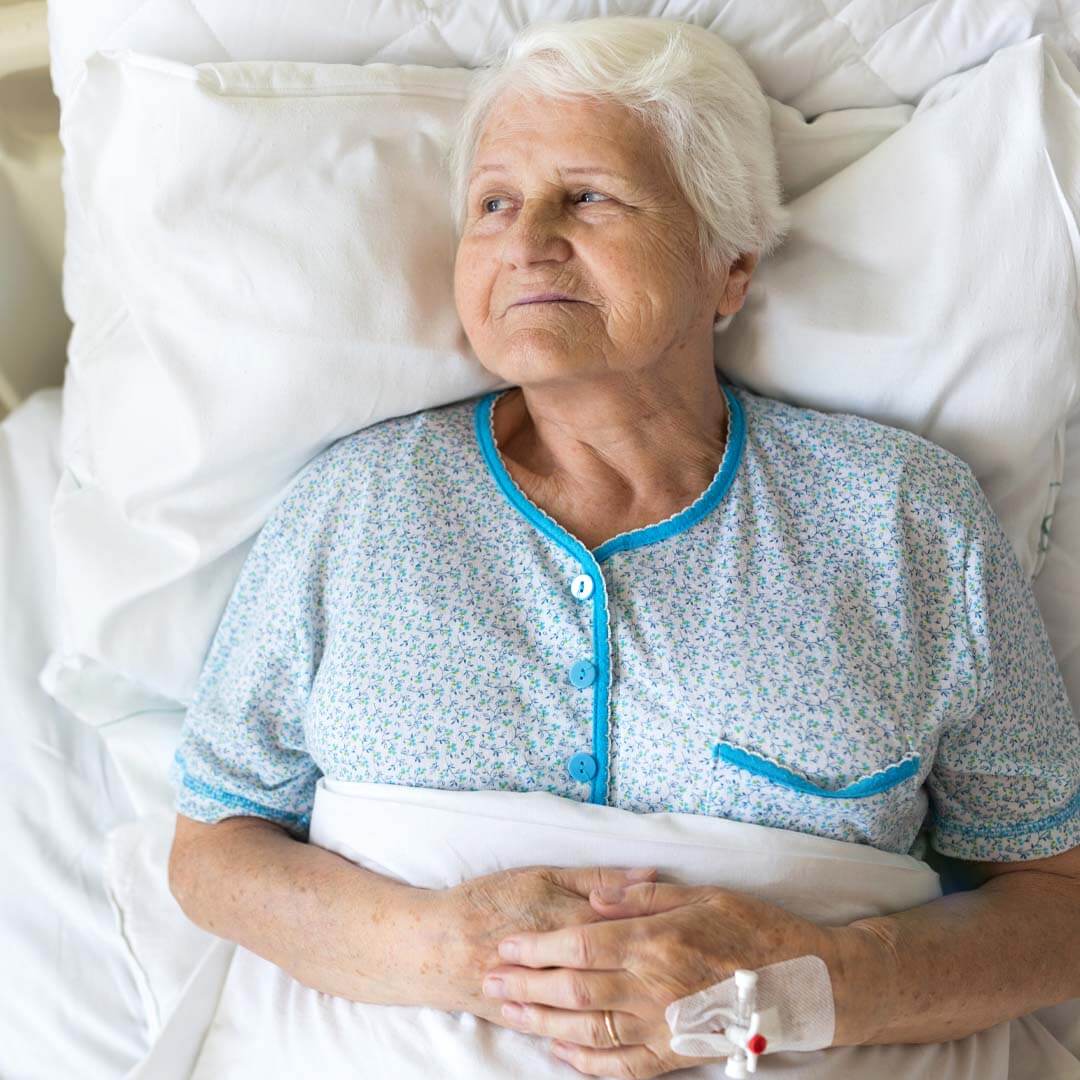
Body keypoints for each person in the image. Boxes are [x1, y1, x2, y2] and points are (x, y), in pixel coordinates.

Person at [167, 16, 1080, 1078]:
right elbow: (213, 847)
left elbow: (1056, 903)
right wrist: (448, 951)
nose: (525, 239)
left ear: (726, 267)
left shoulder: (905, 517)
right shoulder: (354, 505)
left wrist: (788, 991)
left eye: (589, 195)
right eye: (494, 203)